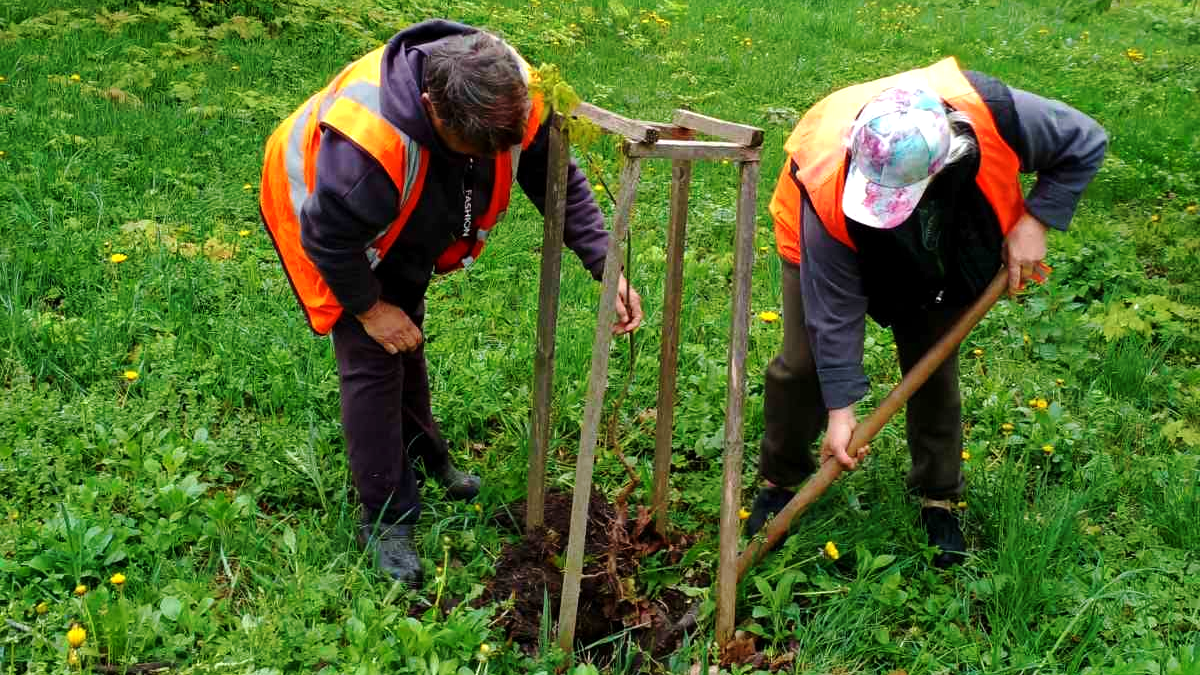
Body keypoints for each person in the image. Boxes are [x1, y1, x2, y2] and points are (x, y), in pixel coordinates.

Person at [259, 20, 643, 585]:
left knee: (404, 330)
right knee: (373, 355)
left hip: (399, 212)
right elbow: (327, 239)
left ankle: (426, 454)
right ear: (432, 110)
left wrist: (603, 265)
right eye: (482, 151)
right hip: (324, 225)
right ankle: (386, 516)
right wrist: (368, 307)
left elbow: (552, 174)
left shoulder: (510, 91)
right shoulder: (364, 158)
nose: (501, 158)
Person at [747, 58, 1106, 567]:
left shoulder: (996, 114)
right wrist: (842, 410)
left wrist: (1038, 219)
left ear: (946, 160)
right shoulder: (826, 177)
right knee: (803, 364)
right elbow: (834, 310)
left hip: (947, 233)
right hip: (823, 228)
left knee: (933, 362)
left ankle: (937, 493)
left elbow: (1085, 142)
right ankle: (779, 477)